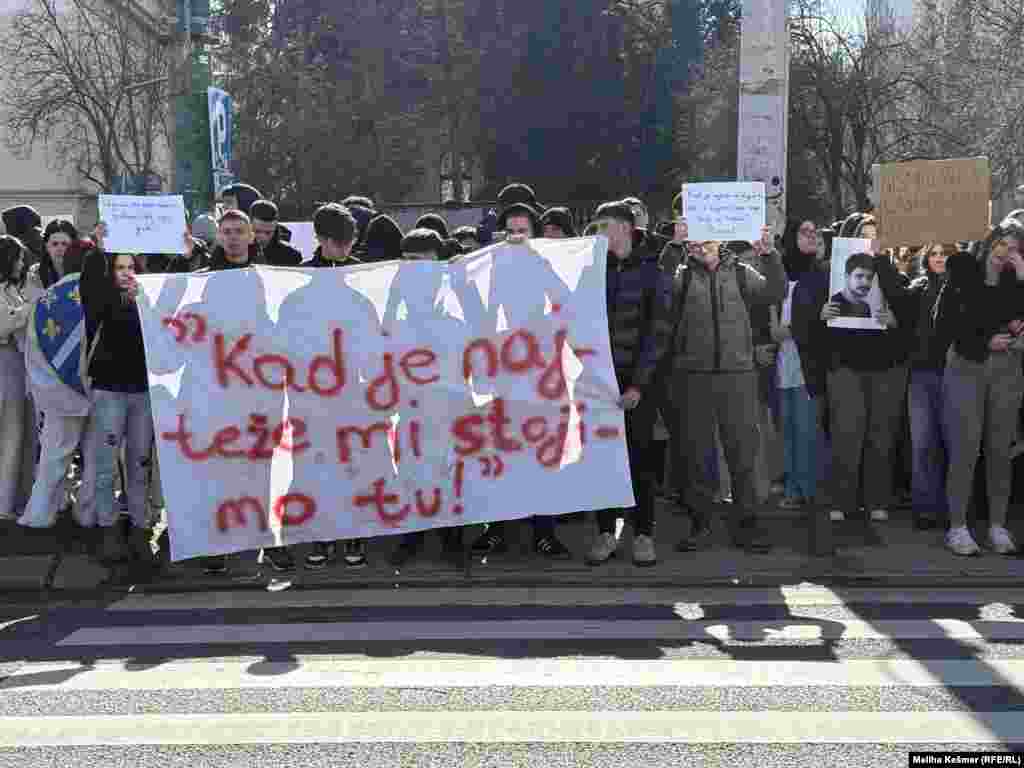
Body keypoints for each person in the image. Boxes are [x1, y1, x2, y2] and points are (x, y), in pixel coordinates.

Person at [664, 221, 786, 553]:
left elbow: (776, 292)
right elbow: (659, 291)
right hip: (693, 376)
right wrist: (674, 247)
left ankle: (748, 526)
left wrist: (770, 254)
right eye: (697, 237)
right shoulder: (681, 273)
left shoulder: (742, 271)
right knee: (697, 454)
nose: (703, 243)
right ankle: (701, 524)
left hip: (738, 375)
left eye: (709, 236)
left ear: (720, 238)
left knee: (743, 452)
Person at [583, 201, 673, 566]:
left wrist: (638, 386)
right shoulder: (592, 269)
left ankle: (643, 534)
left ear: (624, 227)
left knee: (640, 459)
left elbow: (658, 333)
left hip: (639, 385)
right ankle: (606, 532)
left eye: (603, 225)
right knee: (603, 460)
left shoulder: (653, 268)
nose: (598, 233)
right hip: (599, 385)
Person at [385, 228, 467, 568]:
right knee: (412, 469)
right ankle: (414, 532)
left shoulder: (454, 307)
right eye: (408, 262)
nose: (413, 269)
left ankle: (451, 536)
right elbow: (382, 336)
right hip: (411, 405)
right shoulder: (400, 312)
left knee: (447, 469)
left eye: (420, 262)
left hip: (447, 404)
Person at [941, 222, 1024, 556]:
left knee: (1000, 449)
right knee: (966, 447)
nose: (1005, 251)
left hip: (1006, 370)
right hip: (967, 365)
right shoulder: (964, 269)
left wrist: (1021, 275)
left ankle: (997, 525)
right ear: (990, 243)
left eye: (1014, 247)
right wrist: (986, 339)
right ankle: (957, 527)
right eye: (1002, 243)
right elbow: (947, 321)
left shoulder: (1015, 281)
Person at [77, 232, 157, 566]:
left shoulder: (152, 300)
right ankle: (109, 529)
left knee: (140, 465)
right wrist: (98, 249)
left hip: (142, 392)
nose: (125, 272)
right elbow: (89, 284)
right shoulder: (102, 301)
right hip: (109, 390)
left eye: (130, 266)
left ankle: (141, 531)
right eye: (119, 266)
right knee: (105, 465)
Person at [818, 246, 909, 533]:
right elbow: (812, 331)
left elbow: (911, 322)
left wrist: (895, 323)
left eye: (868, 277)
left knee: (880, 435)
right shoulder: (831, 289)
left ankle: (876, 501)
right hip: (845, 368)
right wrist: (820, 317)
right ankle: (841, 501)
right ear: (846, 276)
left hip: (884, 368)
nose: (864, 282)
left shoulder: (893, 280)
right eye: (858, 276)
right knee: (847, 433)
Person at [303, 203, 371, 570]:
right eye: (337, 243)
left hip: (351, 388)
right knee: (316, 465)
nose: (344, 250)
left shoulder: (362, 276)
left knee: (351, 464)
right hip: (311, 390)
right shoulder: (299, 277)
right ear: (321, 239)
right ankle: (320, 535)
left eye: (348, 242)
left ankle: (352, 533)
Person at [19, 220, 95, 529]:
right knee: (95, 460)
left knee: (52, 457)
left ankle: (40, 515)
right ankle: (86, 515)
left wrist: (43, 385)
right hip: (91, 389)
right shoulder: (93, 294)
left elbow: (32, 347)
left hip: (55, 391)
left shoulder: (47, 297)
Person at [771, 219, 820, 510]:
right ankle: (791, 485)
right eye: (805, 231)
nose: (812, 236)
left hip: (807, 363)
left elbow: (825, 317)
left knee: (805, 429)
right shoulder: (777, 272)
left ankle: (807, 488)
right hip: (780, 361)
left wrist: (791, 331)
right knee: (786, 428)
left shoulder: (821, 273)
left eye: (815, 232)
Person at [905, 243, 953, 530]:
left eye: (944, 254)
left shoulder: (963, 288)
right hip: (922, 375)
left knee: (950, 444)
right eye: (933, 254)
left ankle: (950, 509)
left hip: (954, 375)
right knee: (923, 444)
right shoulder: (918, 289)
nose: (938, 258)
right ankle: (924, 509)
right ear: (926, 258)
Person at [0, 236, 33, 520]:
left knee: (15, 436)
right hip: (5, 368)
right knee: (10, 435)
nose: (22, 264)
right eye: (18, 258)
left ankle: (9, 500)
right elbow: (6, 324)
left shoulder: (11, 290)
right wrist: (28, 309)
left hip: (15, 368)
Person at [250, 200, 303, 267]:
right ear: (249, 225)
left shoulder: (291, 256)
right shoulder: (236, 251)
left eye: (268, 232)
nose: (263, 237)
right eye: (257, 231)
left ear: (275, 226)